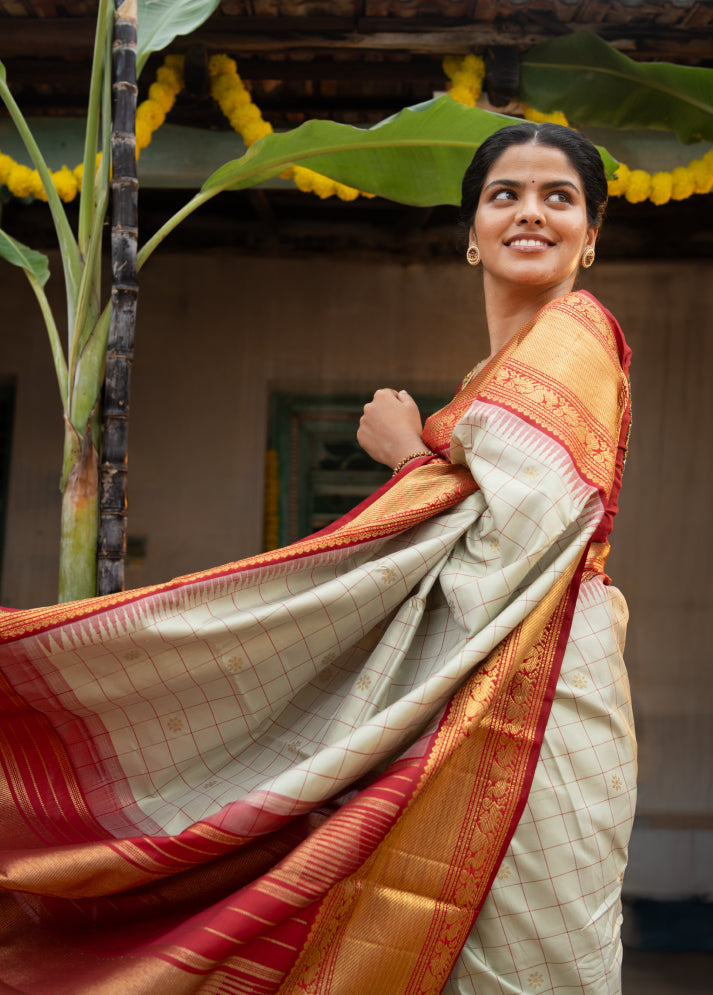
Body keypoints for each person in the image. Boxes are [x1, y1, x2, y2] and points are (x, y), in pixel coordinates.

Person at [0, 123, 634, 995]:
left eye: (557, 198)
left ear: (590, 237)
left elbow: (523, 534)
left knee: (530, 958)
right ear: (471, 233)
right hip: (465, 691)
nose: (530, 213)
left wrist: (412, 458)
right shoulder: (487, 375)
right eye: (505, 195)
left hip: (543, 692)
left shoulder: (575, 331)